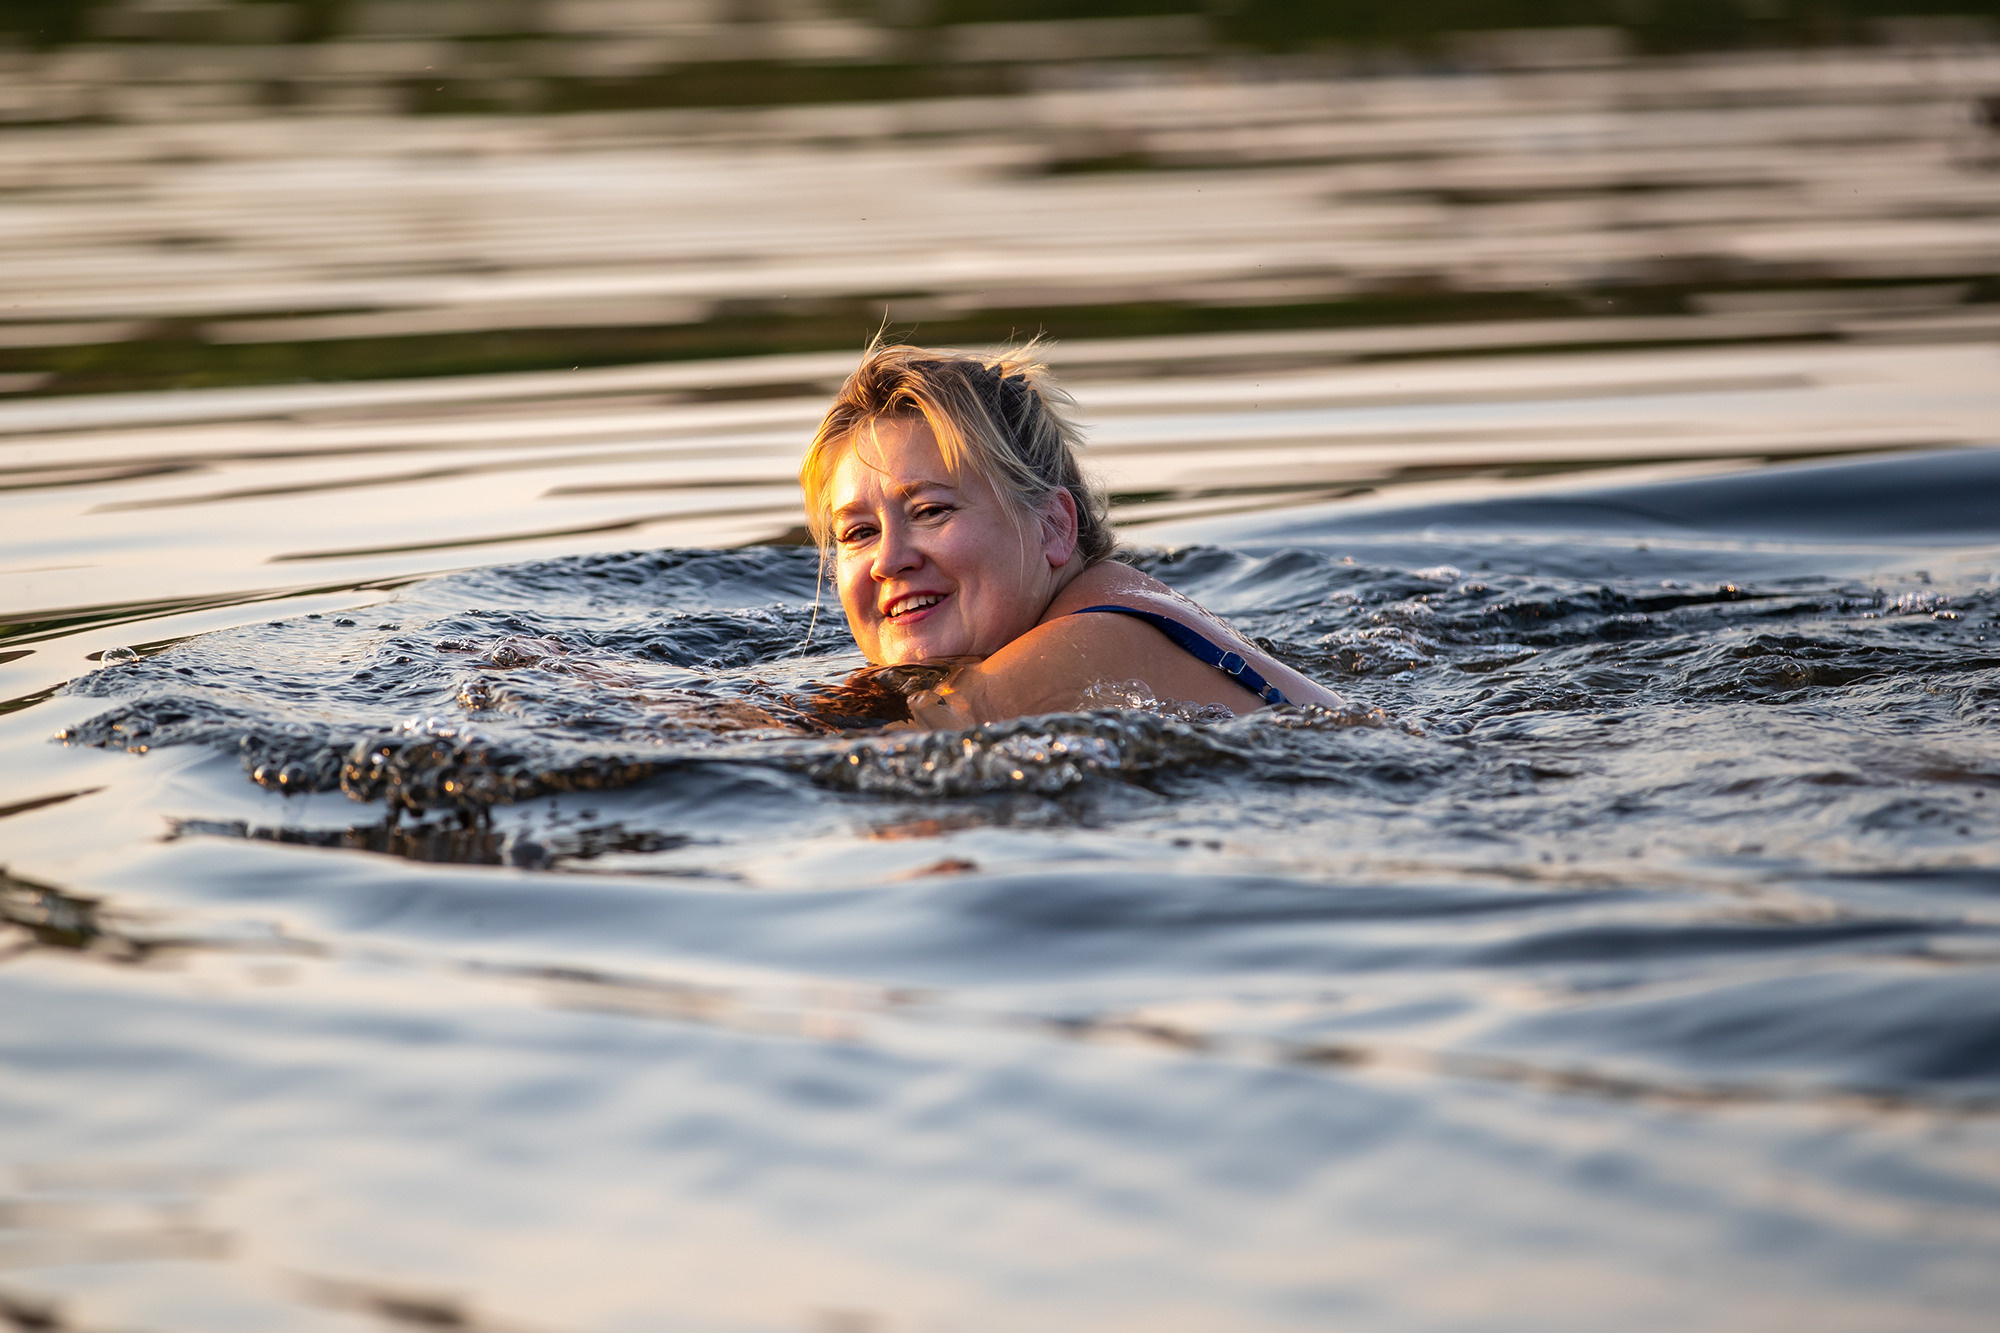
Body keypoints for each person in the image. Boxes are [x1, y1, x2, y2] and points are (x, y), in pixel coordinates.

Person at [799, 342, 1345, 728]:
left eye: (931, 510)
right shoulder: (1125, 608)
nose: (889, 560)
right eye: (859, 532)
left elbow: (830, 757)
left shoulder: (1090, 642)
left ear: (1054, 528)